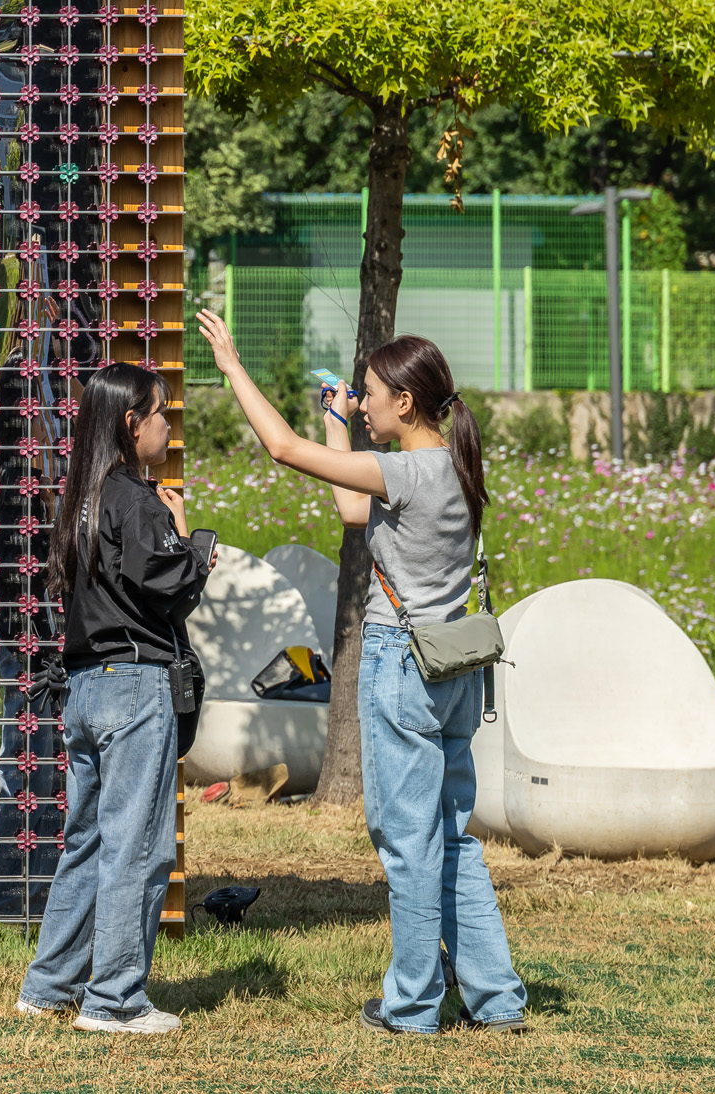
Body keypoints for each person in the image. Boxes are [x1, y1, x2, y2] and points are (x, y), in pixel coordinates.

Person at [194, 310, 529, 1036]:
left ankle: (411, 1006)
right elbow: (353, 509)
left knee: (407, 843)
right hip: (451, 667)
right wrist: (338, 420)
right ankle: (496, 998)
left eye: (371, 393)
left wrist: (231, 367)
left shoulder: (406, 472)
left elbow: (282, 450)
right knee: (451, 836)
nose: (363, 400)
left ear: (405, 402)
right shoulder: (455, 465)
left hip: (401, 665)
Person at [16, 362, 216, 1035]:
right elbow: (166, 584)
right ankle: (116, 1000)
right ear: (132, 424)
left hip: (83, 686)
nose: (168, 426)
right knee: (139, 846)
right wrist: (193, 545)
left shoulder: (82, 496)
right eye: (161, 413)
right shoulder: (136, 499)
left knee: (87, 840)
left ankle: (49, 986)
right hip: (134, 686)